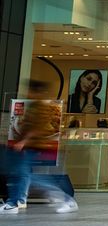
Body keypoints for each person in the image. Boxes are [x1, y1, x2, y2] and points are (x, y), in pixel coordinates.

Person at [2, 80, 76, 214]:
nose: (27, 93)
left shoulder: (40, 107)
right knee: (21, 173)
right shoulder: (36, 106)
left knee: (29, 175)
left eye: (29, 90)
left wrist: (23, 141)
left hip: (31, 146)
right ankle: (13, 202)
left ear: (35, 91)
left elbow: (37, 128)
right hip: (28, 146)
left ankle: (64, 198)